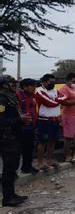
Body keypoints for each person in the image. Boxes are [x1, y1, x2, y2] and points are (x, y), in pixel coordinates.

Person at [0, 75, 29, 206]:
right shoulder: (1, 99)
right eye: (12, 83)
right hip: (6, 138)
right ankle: (7, 198)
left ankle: (11, 194)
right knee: (9, 167)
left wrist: (21, 119)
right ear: (5, 85)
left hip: (14, 136)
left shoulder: (11, 97)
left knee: (12, 167)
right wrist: (19, 119)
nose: (15, 86)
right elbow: (1, 121)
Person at [35, 74, 64, 170]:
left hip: (55, 120)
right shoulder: (39, 90)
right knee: (42, 142)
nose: (52, 83)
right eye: (50, 82)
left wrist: (57, 100)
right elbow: (50, 103)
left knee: (52, 142)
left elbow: (64, 97)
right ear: (44, 82)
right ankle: (40, 163)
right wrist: (57, 100)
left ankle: (49, 161)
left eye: (53, 81)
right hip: (44, 120)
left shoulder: (55, 90)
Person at [59, 73, 75, 162]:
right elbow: (63, 102)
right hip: (69, 115)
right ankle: (67, 156)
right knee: (68, 137)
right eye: (74, 81)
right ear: (68, 80)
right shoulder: (64, 89)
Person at [16, 78, 39, 174]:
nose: (34, 88)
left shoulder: (33, 96)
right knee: (18, 150)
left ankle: (27, 167)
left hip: (31, 126)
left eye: (35, 86)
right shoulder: (18, 96)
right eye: (32, 86)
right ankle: (13, 171)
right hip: (21, 127)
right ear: (24, 87)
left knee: (29, 148)